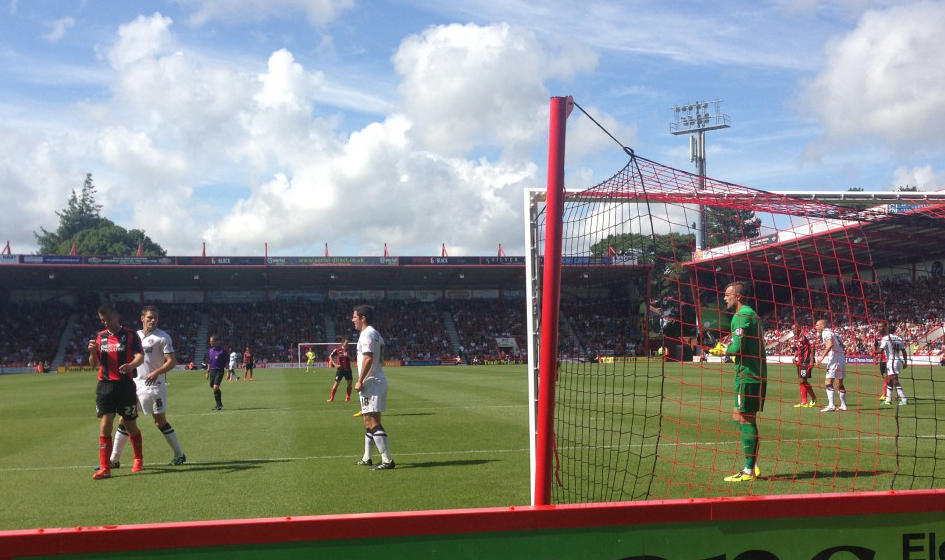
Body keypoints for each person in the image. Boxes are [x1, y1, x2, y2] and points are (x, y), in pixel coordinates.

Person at [106, 305, 186, 468]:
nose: (152, 320)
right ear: (142, 318)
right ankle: (114, 460)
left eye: (155, 318)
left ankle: (179, 454)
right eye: (149, 317)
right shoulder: (134, 336)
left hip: (154, 385)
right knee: (124, 420)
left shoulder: (162, 337)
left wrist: (157, 372)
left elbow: (171, 362)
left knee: (160, 422)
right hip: (134, 384)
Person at [88, 303, 145, 480]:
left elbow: (140, 356)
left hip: (125, 386)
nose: (106, 323)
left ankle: (138, 459)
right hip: (105, 386)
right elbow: (94, 364)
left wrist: (131, 366)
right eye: (103, 320)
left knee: (130, 425)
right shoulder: (99, 337)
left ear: (117, 316)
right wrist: (91, 353)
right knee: (105, 425)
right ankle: (105, 468)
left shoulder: (130, 335)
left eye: (109, 319)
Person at [720, 281, 766, 483]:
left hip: (748, 375)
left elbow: (737, 348)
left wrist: (724, 350)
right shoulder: (752, 313)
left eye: (727, 294)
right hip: (753, 373)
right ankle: (752, 464)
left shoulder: (741, 316)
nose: (724, 298)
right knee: (738, 415)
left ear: (737, 296)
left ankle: (749, 470)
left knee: (746, 418)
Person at [352, 305, 394, 470]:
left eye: (354, 316)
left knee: (373, 421)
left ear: (362, 318)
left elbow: (368, 358)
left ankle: (387, 460)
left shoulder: (367, 334)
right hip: (376, 381)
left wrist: (360, 380)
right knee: (367, 421)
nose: (352, 320)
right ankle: (367, 457)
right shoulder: (376, 334)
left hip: (371, 383)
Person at [814, 319, 847, 412]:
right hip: (841, 357)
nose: (816, 327)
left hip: (834, 358)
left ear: (823, 326)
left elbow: (830, 345)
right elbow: (842, 346)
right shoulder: (834, 332)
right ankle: (843, 406)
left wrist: (822, 357)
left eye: (817, 325)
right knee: (839, 382)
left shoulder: (825, 332)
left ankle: (831, 405)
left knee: (828, 381)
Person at [878, 321, 909, 406]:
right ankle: (888, 400)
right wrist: (905, 362)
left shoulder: (885, 338)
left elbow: (880, 350)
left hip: (891, 361)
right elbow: (904, 351)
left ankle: (904, 399)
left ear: (887, 329)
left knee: (894, 380)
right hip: (898, 360)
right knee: (889, 380)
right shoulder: (899, 338)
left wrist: (874, 351)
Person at [792, 322, 817, 408]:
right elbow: (797, 350)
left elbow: (813, 346)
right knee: (801, 380)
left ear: (799, 328)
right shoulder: (796, 338)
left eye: (794, 329)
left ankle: (813, 398)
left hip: (806, 361)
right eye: (792, 329)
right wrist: (794, 357)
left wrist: (812, 360)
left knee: (803, 380)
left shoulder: (806, 334)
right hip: (800, 361)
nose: (793, 331)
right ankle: (804, 402)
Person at [205, 335, 228, 411]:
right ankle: (218, 404)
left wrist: (228, 372)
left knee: (216, 387)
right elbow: (209, 362)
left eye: (212, 341)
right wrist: (207, 372)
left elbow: (227, 362)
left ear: (217, 341)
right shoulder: (210, 351)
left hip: (219, 371)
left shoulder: (222, 351)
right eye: (210, 341)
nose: (211, 343)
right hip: (212, 371)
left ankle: (219, 404)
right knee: (214, 389)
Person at [327, 338, 353, 402]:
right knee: (336, 383)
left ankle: (348, 398)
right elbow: (330, 356)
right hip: (340, 369)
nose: (348, 344)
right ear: (343, 343)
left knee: (349, 383)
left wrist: (348, 356)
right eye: (346, 342)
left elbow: (352, 359)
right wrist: (335, 364)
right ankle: (332, 398)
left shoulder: (349, 350)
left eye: (348, 342)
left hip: (348, 369)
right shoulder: (337, 349)